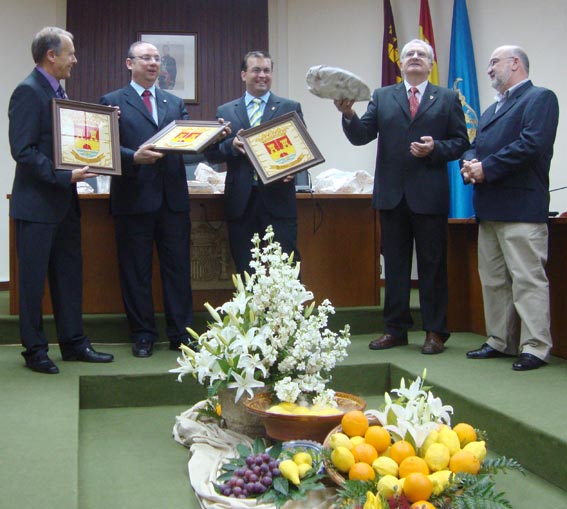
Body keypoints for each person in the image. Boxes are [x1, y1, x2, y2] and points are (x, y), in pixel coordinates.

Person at [335, 39, 469, 355]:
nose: (415, 58)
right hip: (392, 196)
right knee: (394, 266)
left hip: (430, 196)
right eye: (409, 54)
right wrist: (349, 114)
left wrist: (435, 148)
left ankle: (436, 331)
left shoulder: (447, 98)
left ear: (430, 63)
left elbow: (461, 142)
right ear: (401, 63)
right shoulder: (383, 97)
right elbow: (360, 136)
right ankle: (395, 329)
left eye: (421, 54)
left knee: (432, 266)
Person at [8, 26, 114, 374]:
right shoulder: (27, 92)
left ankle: (73, 343)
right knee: (33, 284)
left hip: (65, 205)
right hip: (37, 206)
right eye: (70, 53)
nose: (75, 59)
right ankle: (35, 350)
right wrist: (63, 176)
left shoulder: (58, 92)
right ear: (51, 55)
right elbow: (23, 151)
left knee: (69, 277)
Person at [462, 46, 559, 371]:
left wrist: (485, 168)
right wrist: (468, 163)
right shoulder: (491, 111)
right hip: (489, 208)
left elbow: (532, 144)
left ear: (515, 63)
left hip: (521, 209)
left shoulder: (540, 98)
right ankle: (500, 341)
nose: (489, 69)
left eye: (494, 62)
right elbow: (475, 144)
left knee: (527, 279)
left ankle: (535, 346)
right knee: (493, 279)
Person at [100, 41, 194, 358]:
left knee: (178, 269)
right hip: (133, 199)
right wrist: (133, 157)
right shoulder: (112, 102)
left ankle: (181, 333)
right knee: (135, 271)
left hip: (173, 201)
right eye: (146, 58)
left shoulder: (174, 102)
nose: (154, 64)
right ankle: (142, 334)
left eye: (157, 59)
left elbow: (185, 145)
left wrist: (208, 137)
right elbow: (106, 148)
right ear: (130, 63)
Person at [206, 50, 304, 274]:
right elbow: (211, 154)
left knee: (286, 265)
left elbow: (302, 151)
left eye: (267, 70)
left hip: (278, 199)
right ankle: (250, 310)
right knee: (245, 267)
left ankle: (285, 310)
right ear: (243, 74)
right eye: (256, 70)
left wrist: (294, 169)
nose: (262, 75)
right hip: (241, 201)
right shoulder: (226, 110)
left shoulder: (289, 107)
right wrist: (231, 146)